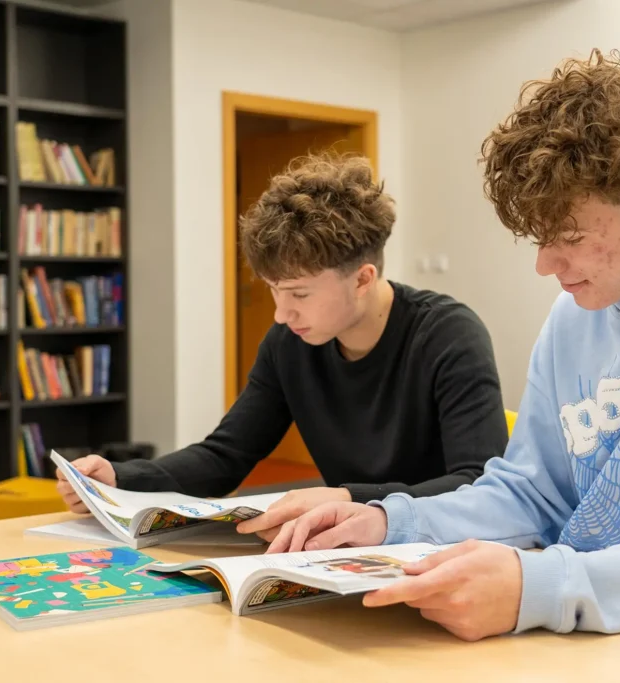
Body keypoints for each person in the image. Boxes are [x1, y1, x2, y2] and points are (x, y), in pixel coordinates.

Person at [266, 49, 620, 642]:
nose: (547, 265)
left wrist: (538, 586)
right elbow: (532, 491)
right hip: (591, 618)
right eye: (540, 240)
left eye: (569, 238)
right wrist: (389, 521)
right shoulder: (577, 311)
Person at [56, 153, 510, 540]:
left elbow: (478, 484)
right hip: (344, 550)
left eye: (299, 294)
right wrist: (121, 478)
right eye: (275, 290)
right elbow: (226, 457)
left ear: (362, 279)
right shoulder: (289, 343)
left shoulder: (450, 335)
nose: (281, 313)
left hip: (439, 547)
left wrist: (350, 498)